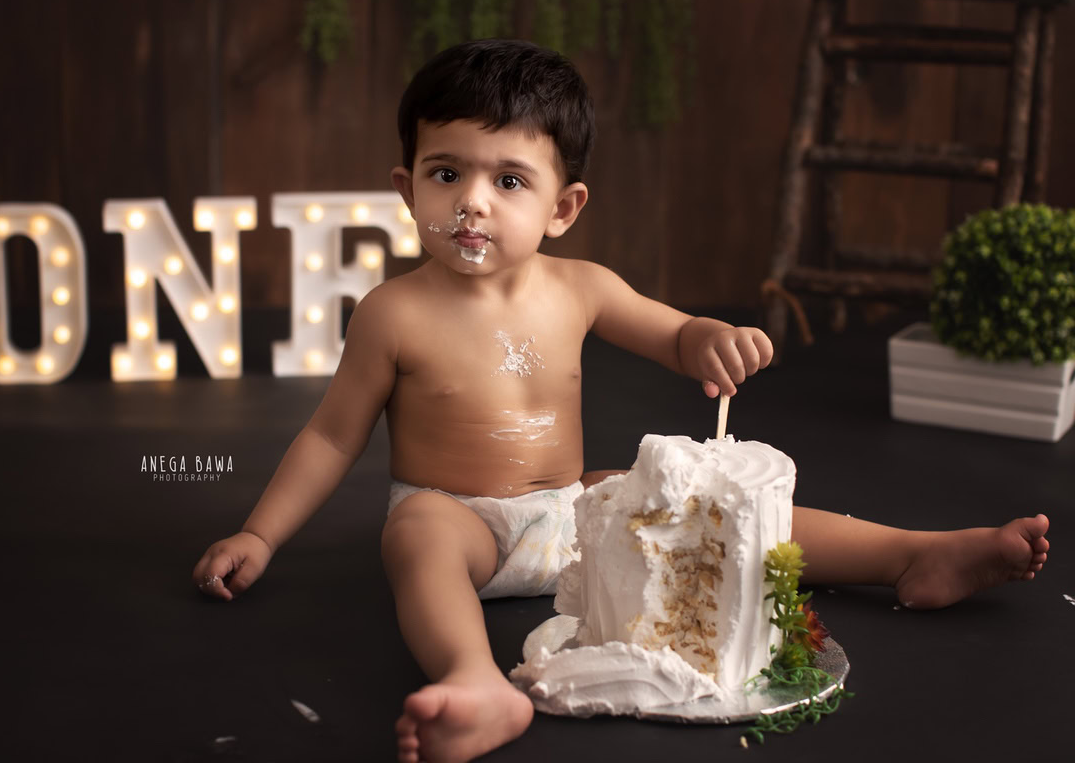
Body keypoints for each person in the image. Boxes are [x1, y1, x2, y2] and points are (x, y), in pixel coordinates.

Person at [193, 39, 1050, 763]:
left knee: (694, 502)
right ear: (408, 187)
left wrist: (706, 338)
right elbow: (332, 437)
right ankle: (474, 680)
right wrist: (260, 534)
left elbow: (672, 335)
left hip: (568, 511)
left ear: (563, 207)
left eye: (509, 181)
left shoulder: (582, 288)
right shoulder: (393, 314)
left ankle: (909, 554)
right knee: (416, 537)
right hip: (461, 519)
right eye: (446, 172)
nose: (472, 202)